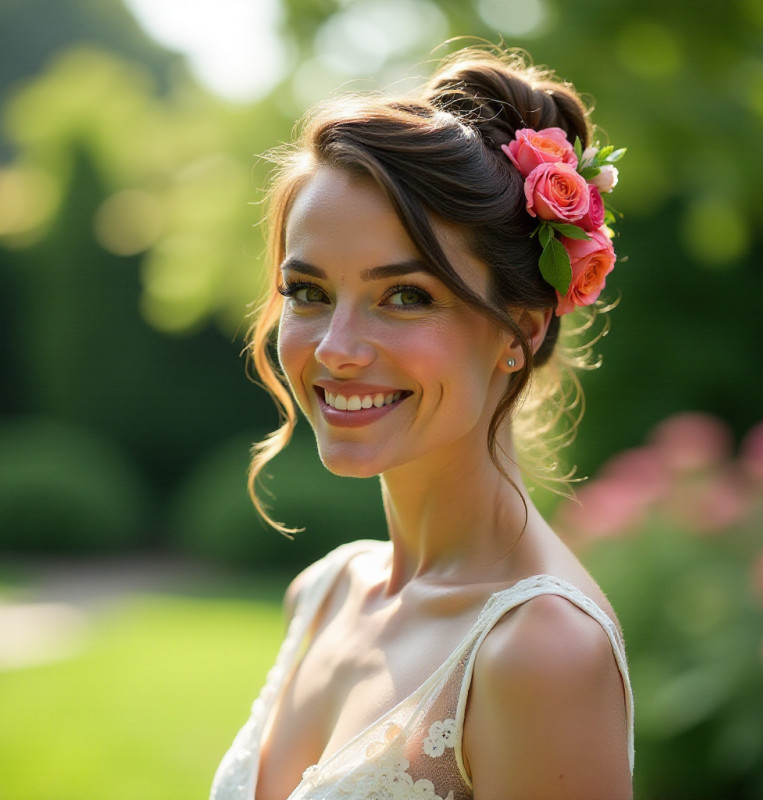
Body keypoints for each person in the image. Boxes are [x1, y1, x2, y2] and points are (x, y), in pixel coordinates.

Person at [210, 44, 634, 800]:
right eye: (307, 292)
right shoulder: (326, 592)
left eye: (405, 296)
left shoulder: (540, 651)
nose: (335, 350)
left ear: (522, 329)